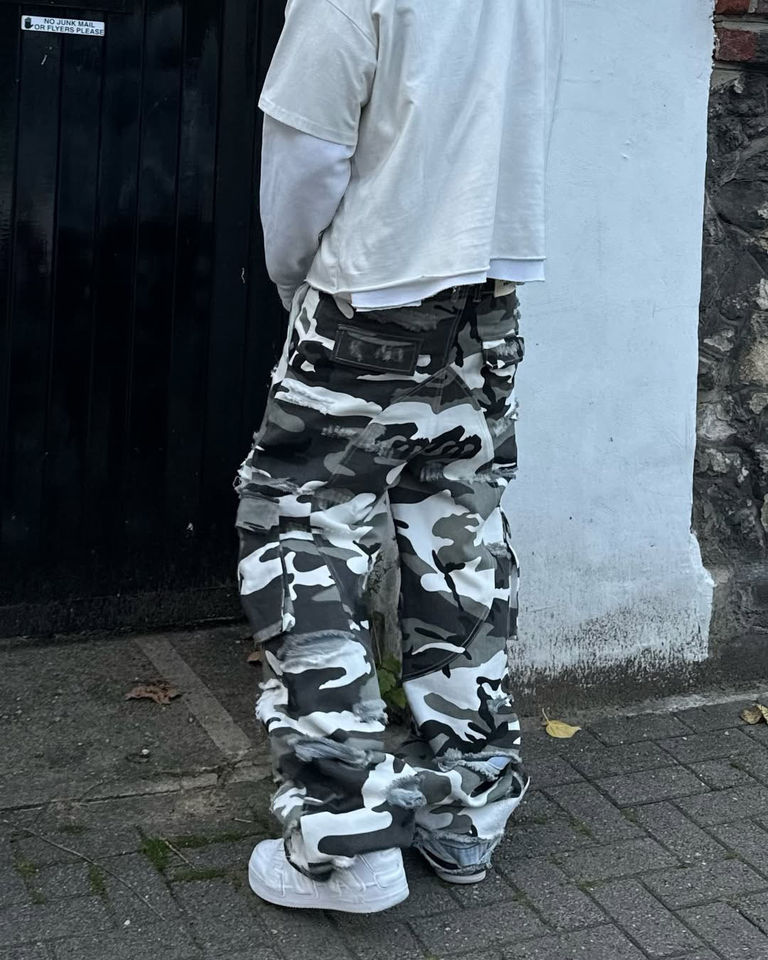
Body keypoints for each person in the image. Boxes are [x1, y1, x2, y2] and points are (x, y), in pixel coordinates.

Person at [234, 0, 564, 913]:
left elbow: (306, 152)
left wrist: (296, 282)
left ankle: (347, 841)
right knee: (457, 538)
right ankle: (467, 813)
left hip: (369, 296)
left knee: (299, 532)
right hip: (485, 298)